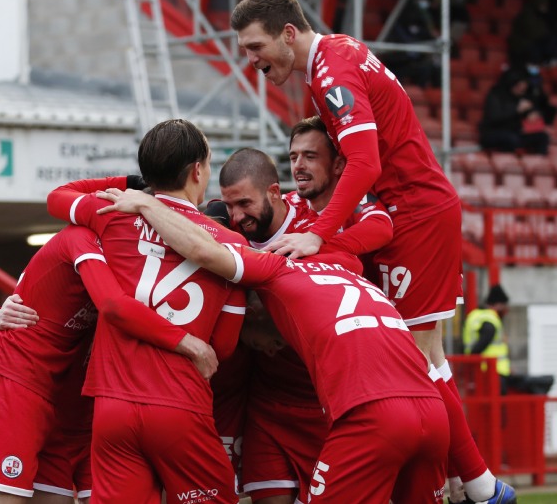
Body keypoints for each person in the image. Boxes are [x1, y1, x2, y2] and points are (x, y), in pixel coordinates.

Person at [229, 0, 516, 502]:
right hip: (415, 209)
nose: (250, 61)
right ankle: (468, 481)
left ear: (288, 33)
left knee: (412, 360)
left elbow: (364, 164)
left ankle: (480, 485)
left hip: (414, 214)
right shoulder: (338, 55)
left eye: (255, 47)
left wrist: (319, 235)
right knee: (428, 358)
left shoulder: (332, 72)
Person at [96, 187, 450, 504]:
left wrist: (146, 203)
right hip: (434, 412)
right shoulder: (350, 266)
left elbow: (202, 249)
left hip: (371, 414)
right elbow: (376, 230)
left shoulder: (274, 268)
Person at [46, 119, 248, 504]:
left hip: (113, 405)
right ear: (197, 170)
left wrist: (130, 185)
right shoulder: (231, 246)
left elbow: (58, 195)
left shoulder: (112, 213)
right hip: (180, 404)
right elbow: (223, 346)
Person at [0, 224, 217, 504]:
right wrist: (188, 343)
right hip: (20, 389)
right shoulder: (84, 241)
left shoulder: (149, 261)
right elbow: (111, 305)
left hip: (83, 406)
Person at [213, 123, 392, 503]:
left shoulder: (315, 220)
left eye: (244, 204)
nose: (236, 216)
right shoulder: (230, 234)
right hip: (268, 399)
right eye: (293, 156)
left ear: (273, 194)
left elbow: (382, 226)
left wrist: (316, 251)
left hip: (324, 402)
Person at [479, 65, 555, 156]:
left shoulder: (523, 97)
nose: (522, 88)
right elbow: (495, 118)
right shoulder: (495, 95)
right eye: (519, 85)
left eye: (524, 85)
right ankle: (506, 162)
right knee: (510, 139)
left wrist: (533, 116)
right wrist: (516, 110)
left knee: (542, 137)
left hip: (516, 132)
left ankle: (537, 163)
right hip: (495, 132)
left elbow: (540, 116)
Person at [463, 284, 512, 394]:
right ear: (498, 304)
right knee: (496, 406)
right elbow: (482, 342)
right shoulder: (490, 319)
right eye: (503, 306)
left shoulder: (476, 315)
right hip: (491, 371)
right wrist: (473, 355)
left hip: (483, 370)